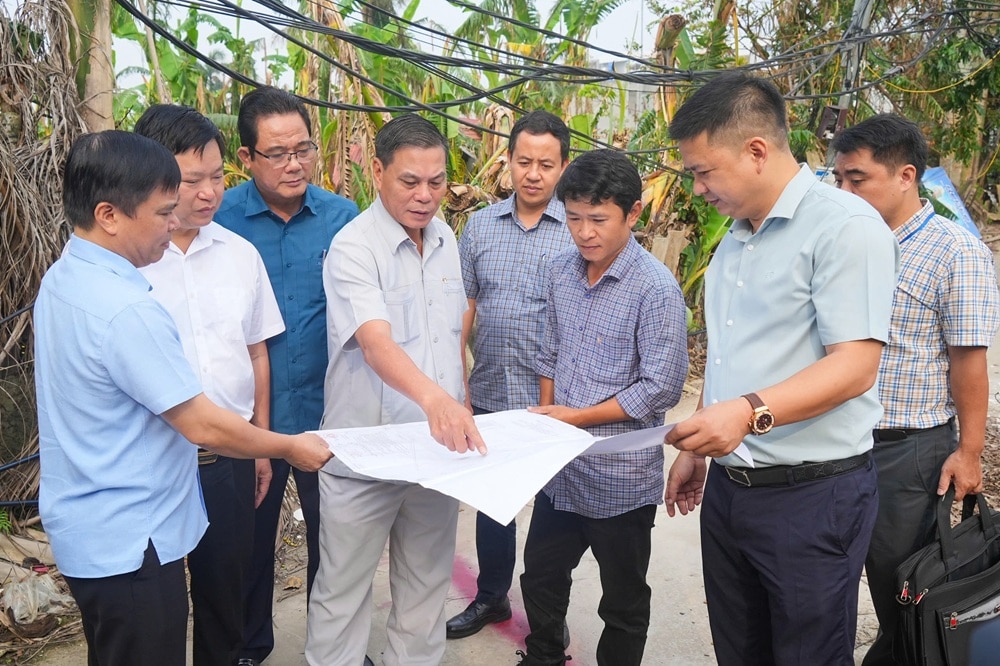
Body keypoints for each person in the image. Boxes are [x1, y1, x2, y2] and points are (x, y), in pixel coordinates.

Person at [34, 130, 331, 666]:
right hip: (133, 539)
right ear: (109, 215)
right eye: (163, 212)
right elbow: (201, 424)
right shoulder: (125, 308)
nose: (173, 225)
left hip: (96, 529)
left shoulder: (63, 278)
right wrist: (288, 446)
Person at [662, 71, 898, 666]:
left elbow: (854, 367)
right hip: (732, 493)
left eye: (702, 171)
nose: (696, 189)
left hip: (811, 499)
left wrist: (746, 414)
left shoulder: (845, 227)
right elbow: (732, 356)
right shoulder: (737, 240)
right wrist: (698, 440)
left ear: (757, 151)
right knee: (740, 652)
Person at [305, 113, 487, 666]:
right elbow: (377, 342)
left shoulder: (447, 238)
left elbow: (450, 332)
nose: (425, 195)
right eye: (410, 181)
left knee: (427, 589)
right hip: (365, 451)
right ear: (378, 171)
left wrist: (460, 400)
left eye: (436, 182)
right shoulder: (353, 247)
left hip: (435, 452)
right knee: (342, 592)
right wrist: (437, 401)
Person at [831, 114, 1000, 665]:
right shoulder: (842, 245)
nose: (845, 192)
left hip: (906, 451)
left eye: (858, 180)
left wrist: (969, 452)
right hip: (833, 441)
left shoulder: (955, 251)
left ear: (906, 176)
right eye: (840, 180)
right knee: (827, 582)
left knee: (902, 589)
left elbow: (968, 364)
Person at [516, 149, 689, 666]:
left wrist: (574, 419)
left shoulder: (656, 289)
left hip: (619, 477)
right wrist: (550, 423)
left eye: (598, 219)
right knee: (541, 574)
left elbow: (659, 388)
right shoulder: (560, 271)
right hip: (562, 471)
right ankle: (545, 654)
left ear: (633, 213)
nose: (584, 232)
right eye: (572, 218)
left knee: (624, 598)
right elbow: (549, 349)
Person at [135, 104, 285, 666]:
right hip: (156, 464)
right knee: (158, 607)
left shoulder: (240, 255)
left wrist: (262, 444)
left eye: (217, 176)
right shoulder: (130, 264)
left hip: (230, 459)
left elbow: (256, 351)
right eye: (190, 179)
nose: (208, 192)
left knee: (228, 597)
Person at [213, 86, 359, 665]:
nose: (295, 163)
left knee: (338, 543)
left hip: (332, 416)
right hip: (251, 422)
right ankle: (249, 645)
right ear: (246, 158)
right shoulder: (217, 218)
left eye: (303, 148)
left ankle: (335, 647)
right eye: (277, 153)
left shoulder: (343, 219)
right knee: (248, 544)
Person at [447, 109, 573, 639]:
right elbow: (464, 308)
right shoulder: (479, 226)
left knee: (554, 515)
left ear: (564, 167)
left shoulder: (578, 229)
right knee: (493, 505)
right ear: (508, 162)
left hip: (558, 398)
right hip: (493, 390)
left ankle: (548, 616)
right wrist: (458, 385)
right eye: (524, 161)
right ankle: (492, 598)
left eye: (546, 163)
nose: (534, 174)